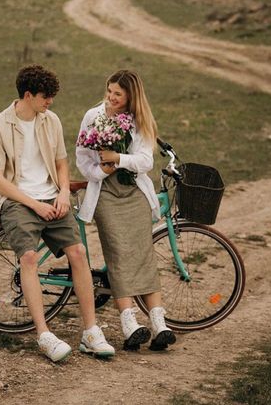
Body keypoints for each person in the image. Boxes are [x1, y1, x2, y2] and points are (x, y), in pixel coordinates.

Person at [0, 64, 114, 363]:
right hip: (16, 200)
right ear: (28, 95)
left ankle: (90, 332)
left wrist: (63, 192)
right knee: (28, 257)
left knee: (79, 252)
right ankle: (44, 334)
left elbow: (61, 163)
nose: (50, 102)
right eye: (45, 97)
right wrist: (34, 203)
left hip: (51, 196)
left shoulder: (50, 120)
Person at [76, 69, 176, 351]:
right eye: (109, 91)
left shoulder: (140, 119)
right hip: (106, 193)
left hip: (134, 193)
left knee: (143, 254)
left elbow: (145, 162)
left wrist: (117, 158)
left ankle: (159, 324)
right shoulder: (93, 116)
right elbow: (81, 157)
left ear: (131, 96)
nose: (111, 97)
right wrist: (100, 169)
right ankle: (130, 323)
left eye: (117, 94)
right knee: (118, 253)